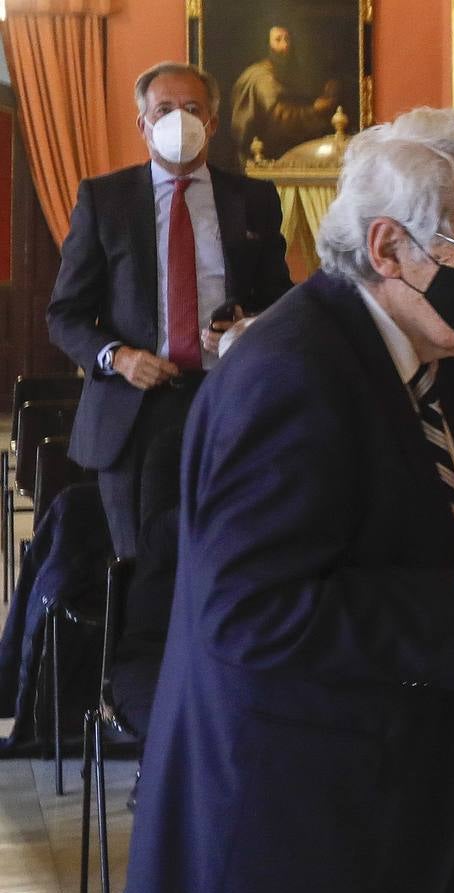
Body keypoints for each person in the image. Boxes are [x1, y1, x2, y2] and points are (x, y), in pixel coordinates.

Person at [124, 107, 454, 893]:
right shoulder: (292, 377)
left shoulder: (429, 351)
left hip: (391, 791)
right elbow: (249, 609)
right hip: (298, 818)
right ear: (389, 247)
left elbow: (404, 526)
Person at [47, 61, 292, 558]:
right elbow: (65, 314)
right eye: (164, 109)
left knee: (230, 554)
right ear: (143, 123)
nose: (178, 119)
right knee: (140, 568)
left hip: (227, 399)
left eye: (191, 108)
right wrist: (118, 357)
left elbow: (282, 301)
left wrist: (249, 324)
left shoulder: (254, 199)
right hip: (134, 409)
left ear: (213, 123)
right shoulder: (105, 199)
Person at [229, 24, 338, 164]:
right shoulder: (261, 76)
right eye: (278, 40)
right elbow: (279, 119)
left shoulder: (287, 74)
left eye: (287, 39)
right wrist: (315, 110)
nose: (285, 45)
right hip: (263, 159)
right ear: (266, 45)